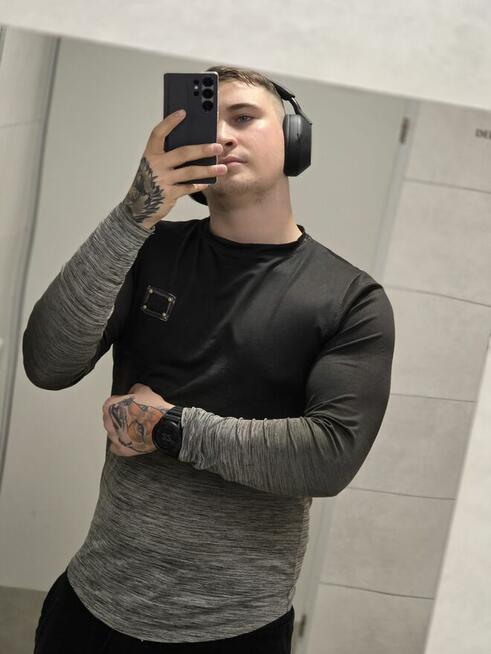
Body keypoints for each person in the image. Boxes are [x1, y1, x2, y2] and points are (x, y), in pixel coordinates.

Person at [23, 65, 395, 653]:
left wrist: (164, 428)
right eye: (204, 120)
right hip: (93, 602)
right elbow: (48, 364)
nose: (221, 135)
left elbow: (329, 458)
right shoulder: (148, 249)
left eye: (243, 117)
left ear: (294, 138)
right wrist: (135, 212)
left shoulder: (350, 298)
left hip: (236, 628)